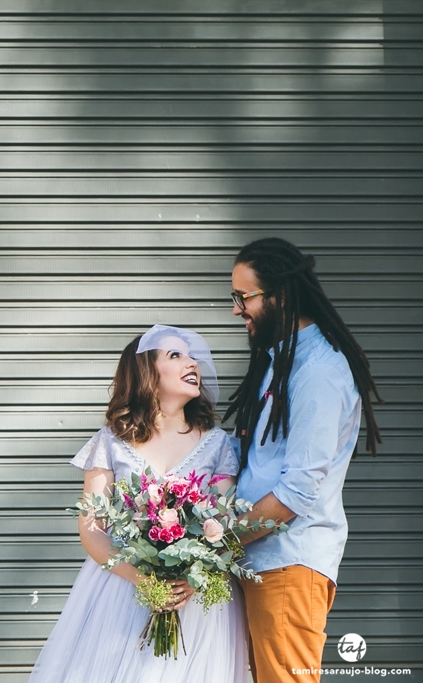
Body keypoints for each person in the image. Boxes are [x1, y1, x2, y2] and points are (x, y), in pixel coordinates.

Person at [28, 325, 248, 683]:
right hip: (122, 590)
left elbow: (226, 525)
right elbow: (91, 526)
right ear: (147, 371)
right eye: (176, 355)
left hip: (195, 601)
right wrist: (141, 579)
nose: (193, 362)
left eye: (191, 355)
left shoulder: (218, 444)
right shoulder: (111, 441)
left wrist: (195, 578)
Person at [225, 237, 382, 683]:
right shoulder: (279, 360)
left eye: (244, 297)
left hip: (288, 566)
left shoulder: (319, 370)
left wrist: (216, 545)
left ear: (281, 295)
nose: (237, 309)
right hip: (261, 561)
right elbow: (256, 457)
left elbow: (296, 491)